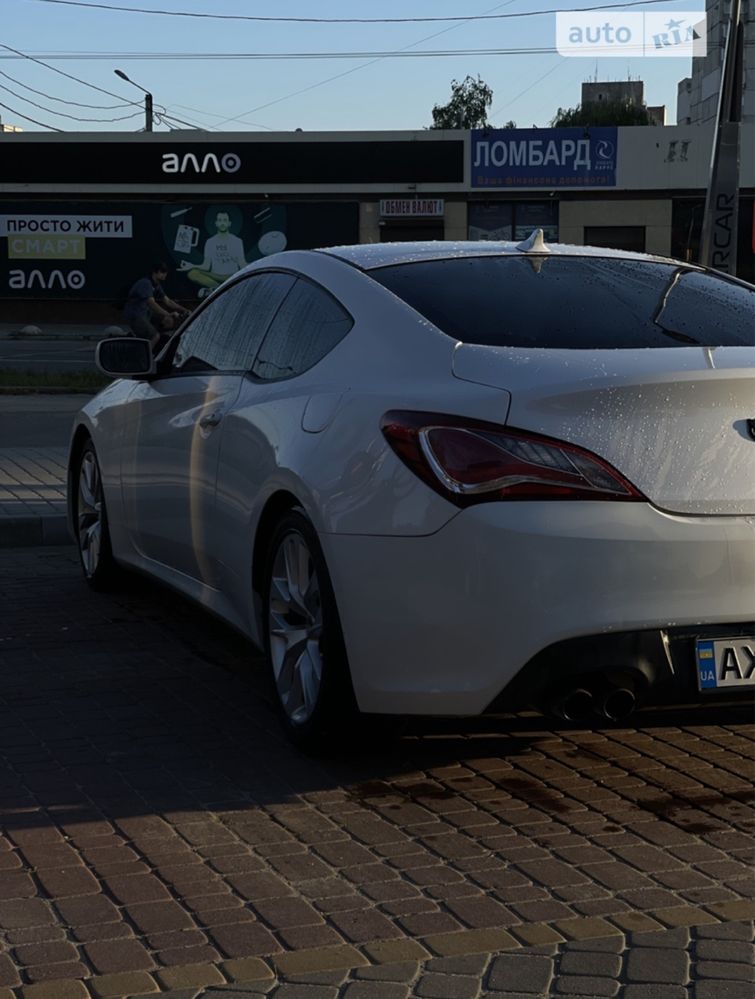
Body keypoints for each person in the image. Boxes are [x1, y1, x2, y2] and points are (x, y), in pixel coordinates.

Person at [178, 210, 246, 296]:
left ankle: (216, 290)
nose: (222, 223)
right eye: (220, 220)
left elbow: (242, 264)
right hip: (215, 276)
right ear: (216, 223)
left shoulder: (237, 241)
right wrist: (192, 265)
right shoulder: (210, 242)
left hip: (232, 276)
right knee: (192, 273)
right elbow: (206, 266)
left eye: (225, 220)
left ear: (229, 223)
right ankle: (220, 289)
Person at [123, 262, 189, 350]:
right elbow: (152, 304)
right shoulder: (145, 283)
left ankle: (145, 338)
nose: (164, 274)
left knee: (168, 321)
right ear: (155, 272)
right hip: (135, 315)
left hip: (145, 313)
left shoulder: (156, 285)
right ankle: (144, 357)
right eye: (162, 272)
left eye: (165, 272)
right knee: (155, 336)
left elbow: (168, 301)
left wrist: (185, 310)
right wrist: (168, 313)